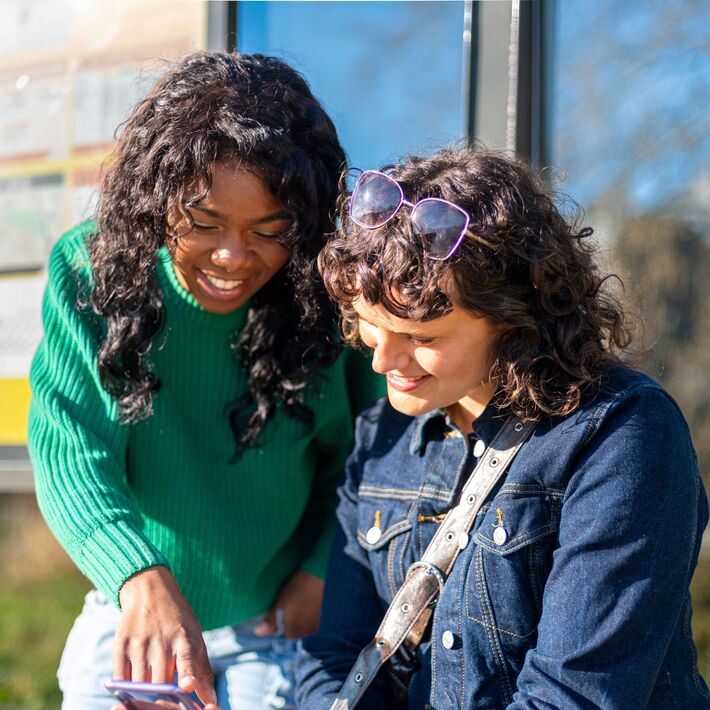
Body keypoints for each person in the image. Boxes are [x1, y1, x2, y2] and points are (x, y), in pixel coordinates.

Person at [28, 51, 384, 710]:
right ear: (154, 197)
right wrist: (137, 575)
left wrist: (321, 570)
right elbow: (72, 452)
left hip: (276, 621)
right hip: (132, 603)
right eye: (203, 223)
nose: (233, 258)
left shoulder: (329, 300)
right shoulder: (89, 274)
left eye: (270, 232)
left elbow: (371, 453)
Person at [295, 146, 710, 708]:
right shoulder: (381, 435)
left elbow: (573, 697)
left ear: (513, 319)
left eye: (422, 338)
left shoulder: (621, 433)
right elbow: (336, 662)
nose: (381, 362)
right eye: (370, 325)